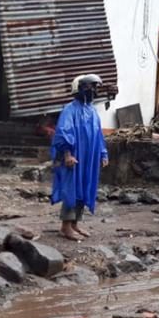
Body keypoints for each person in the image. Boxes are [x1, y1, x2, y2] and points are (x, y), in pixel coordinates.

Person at [50, 74, 110, 241]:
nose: (94, 91)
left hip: (89, 157)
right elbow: (63, 133)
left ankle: (75, 223)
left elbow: (98, 135)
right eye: (91, 86)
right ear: (80, 88)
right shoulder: (70, 109)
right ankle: (65, 226)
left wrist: (103, 153)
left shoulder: (92, 111)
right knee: (72, 188)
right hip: (74, 157)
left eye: (95, 87)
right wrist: (67, 154)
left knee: (84, 186)